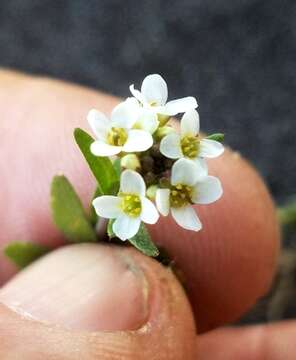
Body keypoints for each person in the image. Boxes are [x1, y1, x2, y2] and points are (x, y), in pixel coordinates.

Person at [0, 69, 291, 359]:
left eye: (190, 147)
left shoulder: (155, 177)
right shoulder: (129, 168)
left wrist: (144, 197)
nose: (189, 145)